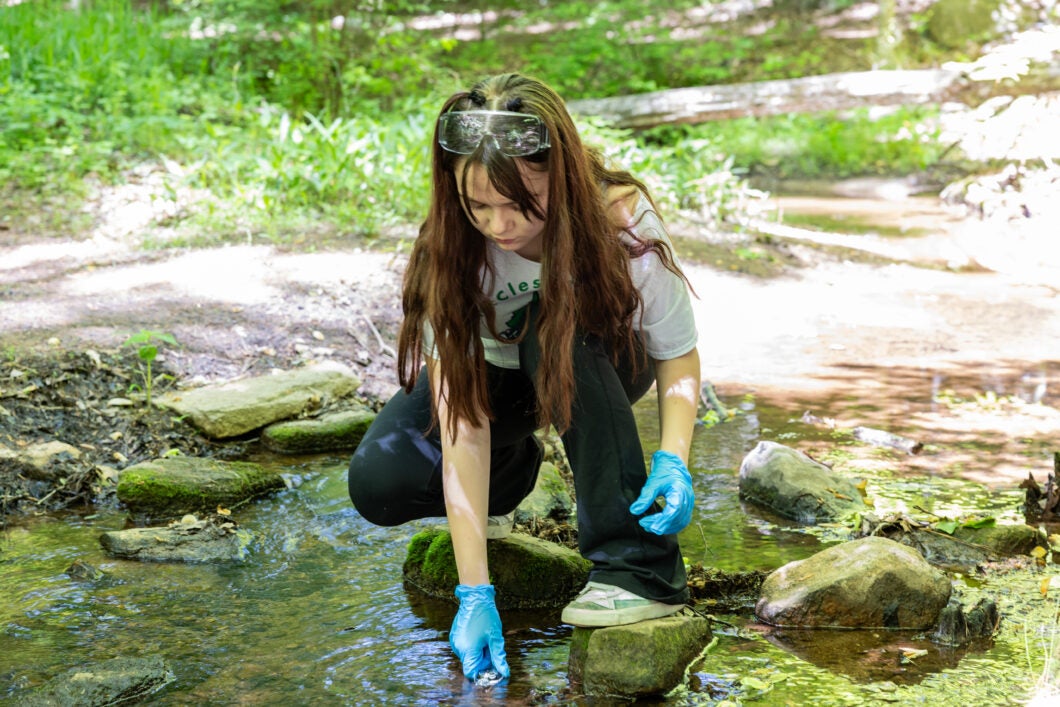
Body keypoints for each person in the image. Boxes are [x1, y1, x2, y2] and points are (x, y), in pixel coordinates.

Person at [347, 73, 701, 683]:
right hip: (499, 383)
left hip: (601, 358)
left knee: (549, 327)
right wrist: (473, 592)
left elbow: (678, 354)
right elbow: (463, 426)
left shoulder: (620, 219)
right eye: (478, 204)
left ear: (558, 180)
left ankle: (640, 571)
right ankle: (515, 475)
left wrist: (674, 457)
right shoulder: (452, 252)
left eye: (521, 204)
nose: (499, 225)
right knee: (379, 483)